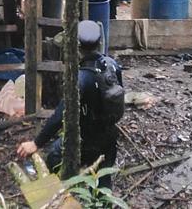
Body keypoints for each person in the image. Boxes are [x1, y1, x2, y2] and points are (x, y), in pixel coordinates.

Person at [16, 20, 123, 188]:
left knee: (53, 156)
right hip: (110, 137)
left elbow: (59, 116)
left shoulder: (80, 79)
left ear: (76, 46)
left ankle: (63, 194)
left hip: (86, 141)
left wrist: (36, 143)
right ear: (99, 42)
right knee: (104, 182)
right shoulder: (112, 65)